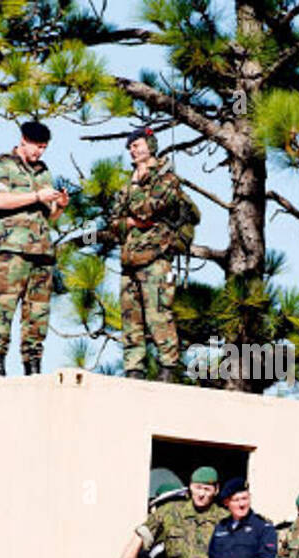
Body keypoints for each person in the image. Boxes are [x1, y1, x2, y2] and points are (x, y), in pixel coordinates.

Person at [112, 126, 198, 381]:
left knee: (158, 315)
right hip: (129, 259)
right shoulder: (130, 182)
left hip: (155, 258)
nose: (133, 149)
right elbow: (114, 221)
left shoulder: (166, 178)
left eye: (137, 144)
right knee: (131, 320)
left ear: (150, 145)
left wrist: (132, 214)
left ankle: (168, 368)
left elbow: (148, 209)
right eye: (130, 147)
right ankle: (134, 369)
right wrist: (128, 222)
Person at [0, 121, 68, 377]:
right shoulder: (3, 164)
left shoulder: (44, 171)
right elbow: (0, 201)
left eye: (43, 148)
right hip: (13, 248)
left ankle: (32, 366)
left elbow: (50, 217)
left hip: (42, 251)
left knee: (38, 312)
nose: (39, 153)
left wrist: (61, 205)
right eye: (36, 147)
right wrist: (36, 197)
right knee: (5, 307)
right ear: (23, 140)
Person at [112, 466, 226, 558]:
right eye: (198, 487)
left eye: (207, 489)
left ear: (216, 490)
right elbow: (140, 536)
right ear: (190, 486)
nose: (201, 494)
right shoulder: (170, 512)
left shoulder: (224, 518)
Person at [203, 478, 277, 558]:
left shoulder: (263, 527)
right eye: (236, 500)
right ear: (226, 502)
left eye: (244, 498)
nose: (242, 504)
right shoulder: (221, 527)